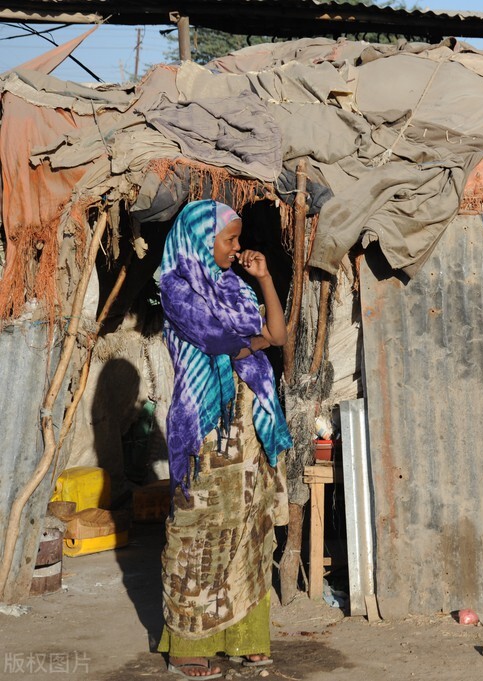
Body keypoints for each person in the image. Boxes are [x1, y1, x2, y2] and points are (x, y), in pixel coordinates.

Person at [157, 200, 293, 679]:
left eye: (237, 239)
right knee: (198, 533)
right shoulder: (175, 286)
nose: (236, 249)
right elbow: (217, 339)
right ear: (200, 239)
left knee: (249, 529)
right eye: (229, 239)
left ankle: (246, 637)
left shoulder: (235, 285)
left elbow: (277, 334)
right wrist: (252, 342)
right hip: (206, 427)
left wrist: (265, 279)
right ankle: (188, 643)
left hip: (249, 425)